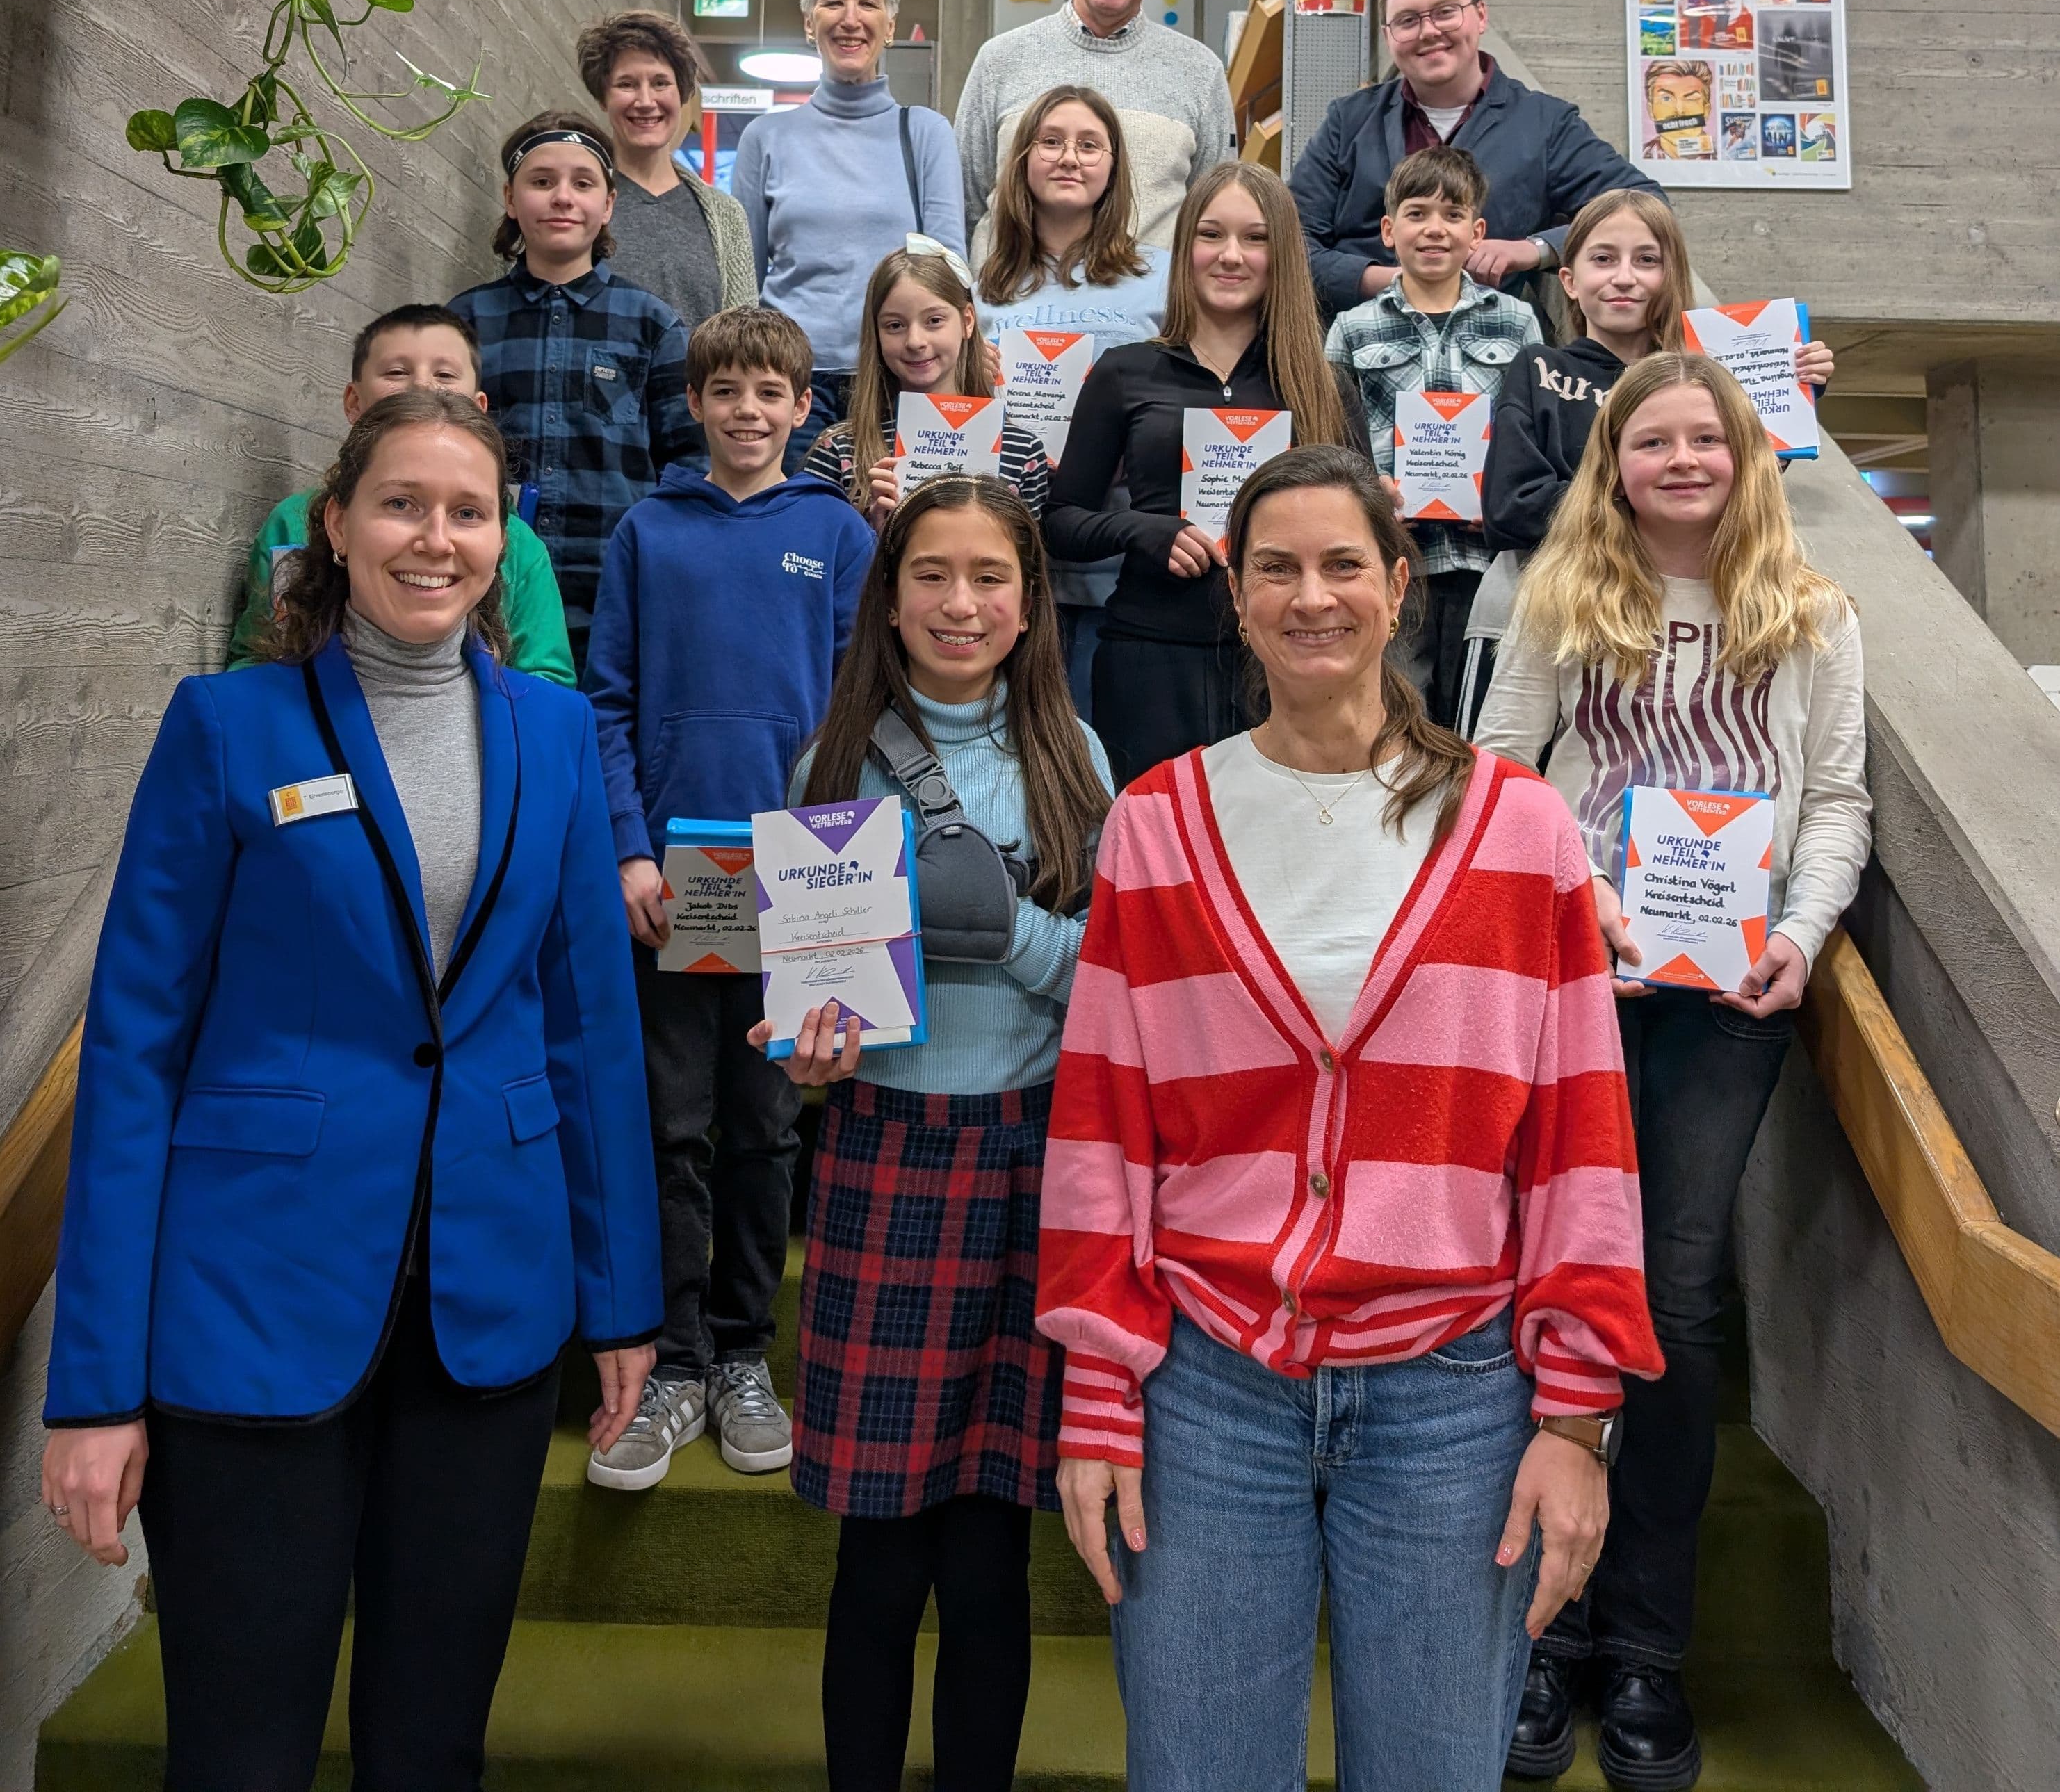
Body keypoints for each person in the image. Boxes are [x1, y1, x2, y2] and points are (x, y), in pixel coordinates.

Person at [40, 390, 661, 1792]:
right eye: (402, 502)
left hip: (487, 1311)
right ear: (334, 520)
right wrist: (92, 1389)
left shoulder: (557, 739)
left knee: (431, 1741)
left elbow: (590, 1030)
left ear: (504, 539)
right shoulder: (226, 725)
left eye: (468, 510)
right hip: (253, 1299)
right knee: (241, 1747)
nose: (433, 536)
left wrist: (626, 1296)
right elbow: (134, 1050)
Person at [1037, 444, 1662, 1792]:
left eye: (1341, 565)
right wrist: (1097, 1391)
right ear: (1240, 597)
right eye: (1276, 566)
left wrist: (1574, 1417)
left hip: (1457, 1396)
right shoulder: (1154, 823)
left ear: (1396, 587)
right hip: (1206, 1387)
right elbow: (1103, 1127)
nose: (1309, 595)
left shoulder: (1522, 830)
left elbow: (1580, 1143)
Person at [1477, 352, 1870, 1789]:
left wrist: (1807, 935)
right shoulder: (1559, 593)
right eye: (1656, 438)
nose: (1684, 457)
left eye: (1708, 435)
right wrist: (1577, 884)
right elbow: (1500, 774)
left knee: (1678, 1293)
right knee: (1558, 1276)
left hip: (1732, 995)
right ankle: (1541, 1636)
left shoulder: (1812, 608)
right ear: (1615, 457)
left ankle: (1643, 1647)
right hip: (1577, 979)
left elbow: (1836, 798)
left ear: (1746, 451)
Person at [757, 477, 1114, 1792]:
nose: (959, 604)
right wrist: (810, 1048)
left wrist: (1005, 926)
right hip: (883, 1154)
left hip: (1032, 1161)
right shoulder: (829, 766)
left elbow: (1110, 987)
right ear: (889, 597)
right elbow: (814, 1011)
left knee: (987, 1552)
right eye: (931, 578)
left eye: (988, 580)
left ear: (1028, 605)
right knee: (878, 1548)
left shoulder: (1077, 760)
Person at [583, 307, 875, 1489]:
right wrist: (629, 851)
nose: (748, 412)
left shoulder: (839, 532)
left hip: (803, 871)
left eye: (772, 392)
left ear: (805, 408)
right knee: (675, 1126)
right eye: (726, 392)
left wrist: (847, 860)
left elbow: (866, 700)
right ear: (695, 404)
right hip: (682, 873)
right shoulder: (649, 531)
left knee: (765, 1126)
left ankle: (749, 1353)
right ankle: (678, 1364)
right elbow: (607, 702)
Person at [1044, 161, 1349, 787]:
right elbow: (1061, 523)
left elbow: (1358, 539)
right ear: (1185, 249)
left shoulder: (1324, 385)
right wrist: (1142, 532)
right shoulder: (1125, 372)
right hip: (1151, 657)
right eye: (1211, 235)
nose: (1230, 256)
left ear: (1283, 254)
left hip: (1287, 662)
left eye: (1255, 238)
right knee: (1157, 864)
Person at [1288, 0, 1660, 320]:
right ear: (1388, 36)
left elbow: (1646, 205)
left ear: (1480, 16)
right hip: (1355, 344)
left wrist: (1533, 250)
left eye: (1445, 12)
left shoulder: (1545, 124)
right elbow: (1292, 241)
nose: (1429, 32)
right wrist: (1386, 281)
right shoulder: (1348, 121)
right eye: (1407, 21)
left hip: (1491, 348)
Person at [450, 110, 694, 673]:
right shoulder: (465, 322)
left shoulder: (654, 325)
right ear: (512, 199)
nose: (563, 197)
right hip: (494, 590)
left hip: (614, 593)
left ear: (608, 204)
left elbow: (689, 460)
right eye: (542, 182)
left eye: (582, 184)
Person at [225, 301, 575, 682]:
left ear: (477, 408)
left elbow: (545, 678)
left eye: (444, 375)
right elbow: (257, 655)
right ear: (354, 401)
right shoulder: (291, 522)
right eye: (396, 372)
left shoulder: (520, 545)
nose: (421, 386)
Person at [1482, 189, 1835, 559]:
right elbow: (1511, 511)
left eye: (1646, 260)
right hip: (1568, 591)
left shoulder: (1708, 381)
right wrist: (1651, 489)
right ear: (1569, 280)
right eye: (1603, 259)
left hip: (1686, 591)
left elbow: (1740, 498)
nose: (1623, 277)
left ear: (1671, 277)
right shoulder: (1539, 370)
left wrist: (1789, 397)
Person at [1322, 146, 1540, 726]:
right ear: (1389, 231)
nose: (1435, 229)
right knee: (1396, 714)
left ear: (1478, 231)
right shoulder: (1352, 327)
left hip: (1487, 562)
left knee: (1480, 719)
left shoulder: (1516, 322)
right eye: (1417, 214)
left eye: (1452, 215)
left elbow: (1533, 434)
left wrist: (1498, 498)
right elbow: (1331, 441)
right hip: (1396, 563)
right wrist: (1372, 495)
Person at [973, 83, 1171, 713]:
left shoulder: (1162, 280)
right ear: (1023, 160)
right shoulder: (980, 290)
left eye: (1090, 145)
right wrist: (966, 375)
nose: (1069, 158)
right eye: (1051, 142)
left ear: (1113, 166)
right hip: (1004, 560)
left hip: (1116, 561)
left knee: (1098, 756)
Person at [730, 0, 964, 457]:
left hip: (898, 380)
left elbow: (948, 270)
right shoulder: (765, 137)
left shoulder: (926, 133)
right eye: (833, 3)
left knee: (897, 532)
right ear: (810, 23)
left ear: (892, 25)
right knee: (797, 532)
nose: (851, 20)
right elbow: (742, 279)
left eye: (869, 4)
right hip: (790, 385)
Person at [953, 0, 1232, 250]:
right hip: (1010, 307)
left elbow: (1215, 220)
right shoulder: (999, 61)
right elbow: (963, 209)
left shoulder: (1200, 73)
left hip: (1150, 310)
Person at [806, 239, 1053, 524]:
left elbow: (1026, 564)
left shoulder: (1022, 451)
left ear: (968, 321)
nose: (915, 341)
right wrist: (871, 530)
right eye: (895, 326)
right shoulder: (838, 449)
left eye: (934, 321)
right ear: (877, 334)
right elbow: (813, 562)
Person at [576, 6, 757, 325]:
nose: (645, 101)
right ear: (603, 97)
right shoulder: (572, 201)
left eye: (661, 83)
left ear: (682, 94)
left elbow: (742, 340)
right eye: (627, 84)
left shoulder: (726, 217)